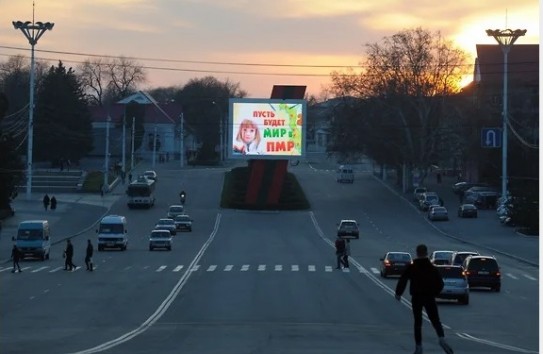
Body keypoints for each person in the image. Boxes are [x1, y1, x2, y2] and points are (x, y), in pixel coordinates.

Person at [395, 244, 454, 354]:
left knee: (418, 322)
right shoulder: (432, 267)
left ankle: (419, 347)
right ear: (426, 253)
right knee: (435, 320)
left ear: (417, 253)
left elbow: (403, 279)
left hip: (416, 297)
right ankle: (441, 338)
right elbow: (440, 284)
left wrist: (398, 293)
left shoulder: (412, 267)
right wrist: (434, 293)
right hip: (429, 297)